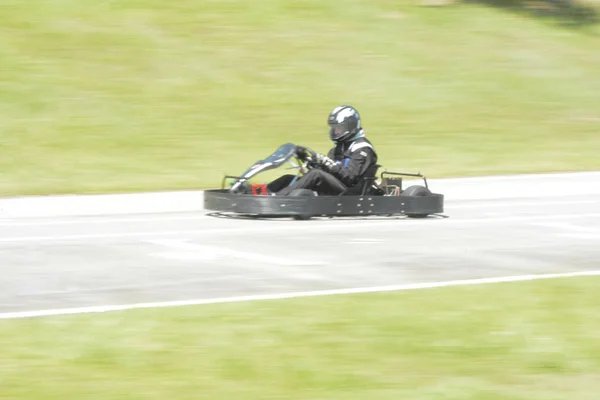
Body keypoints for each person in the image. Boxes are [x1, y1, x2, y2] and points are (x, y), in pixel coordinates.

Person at [268, 105, 378, 196]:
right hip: (337, 187)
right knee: (288, 178)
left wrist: (329, 164)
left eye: (339, 128)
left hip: (350, 192)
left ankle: (278, 198)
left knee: (316, 174)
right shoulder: (339, 148)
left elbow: (350, 178)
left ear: (350, 126)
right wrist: (310, 160)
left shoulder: (363, 148)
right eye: (334, 128)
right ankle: (264, 192)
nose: (336, 132)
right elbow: (327, 173)